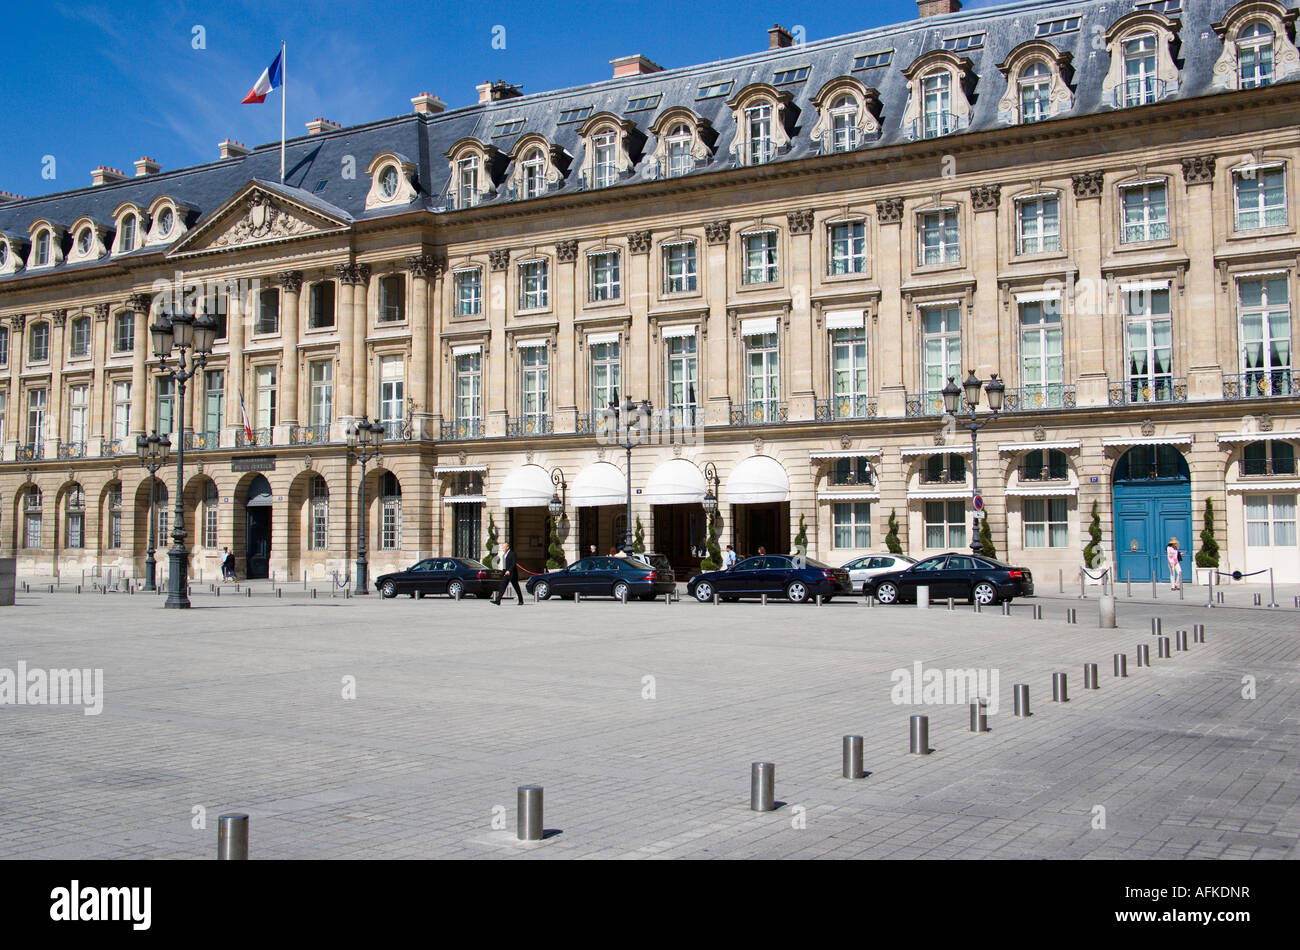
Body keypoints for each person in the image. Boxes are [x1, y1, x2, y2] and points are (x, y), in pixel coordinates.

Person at [493, 541, 523, 606]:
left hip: (512, 574)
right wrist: (502, 573)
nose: (503, 548)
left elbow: (513, 564)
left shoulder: (512, 554)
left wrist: (509, 570)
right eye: (502, 547)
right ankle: (498, 600)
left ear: (507, 547)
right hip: (506, 574)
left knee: (516, 587)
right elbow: (504, 566)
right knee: (502, 586)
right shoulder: (504, 555)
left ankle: (521, 600)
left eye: (504, 547)